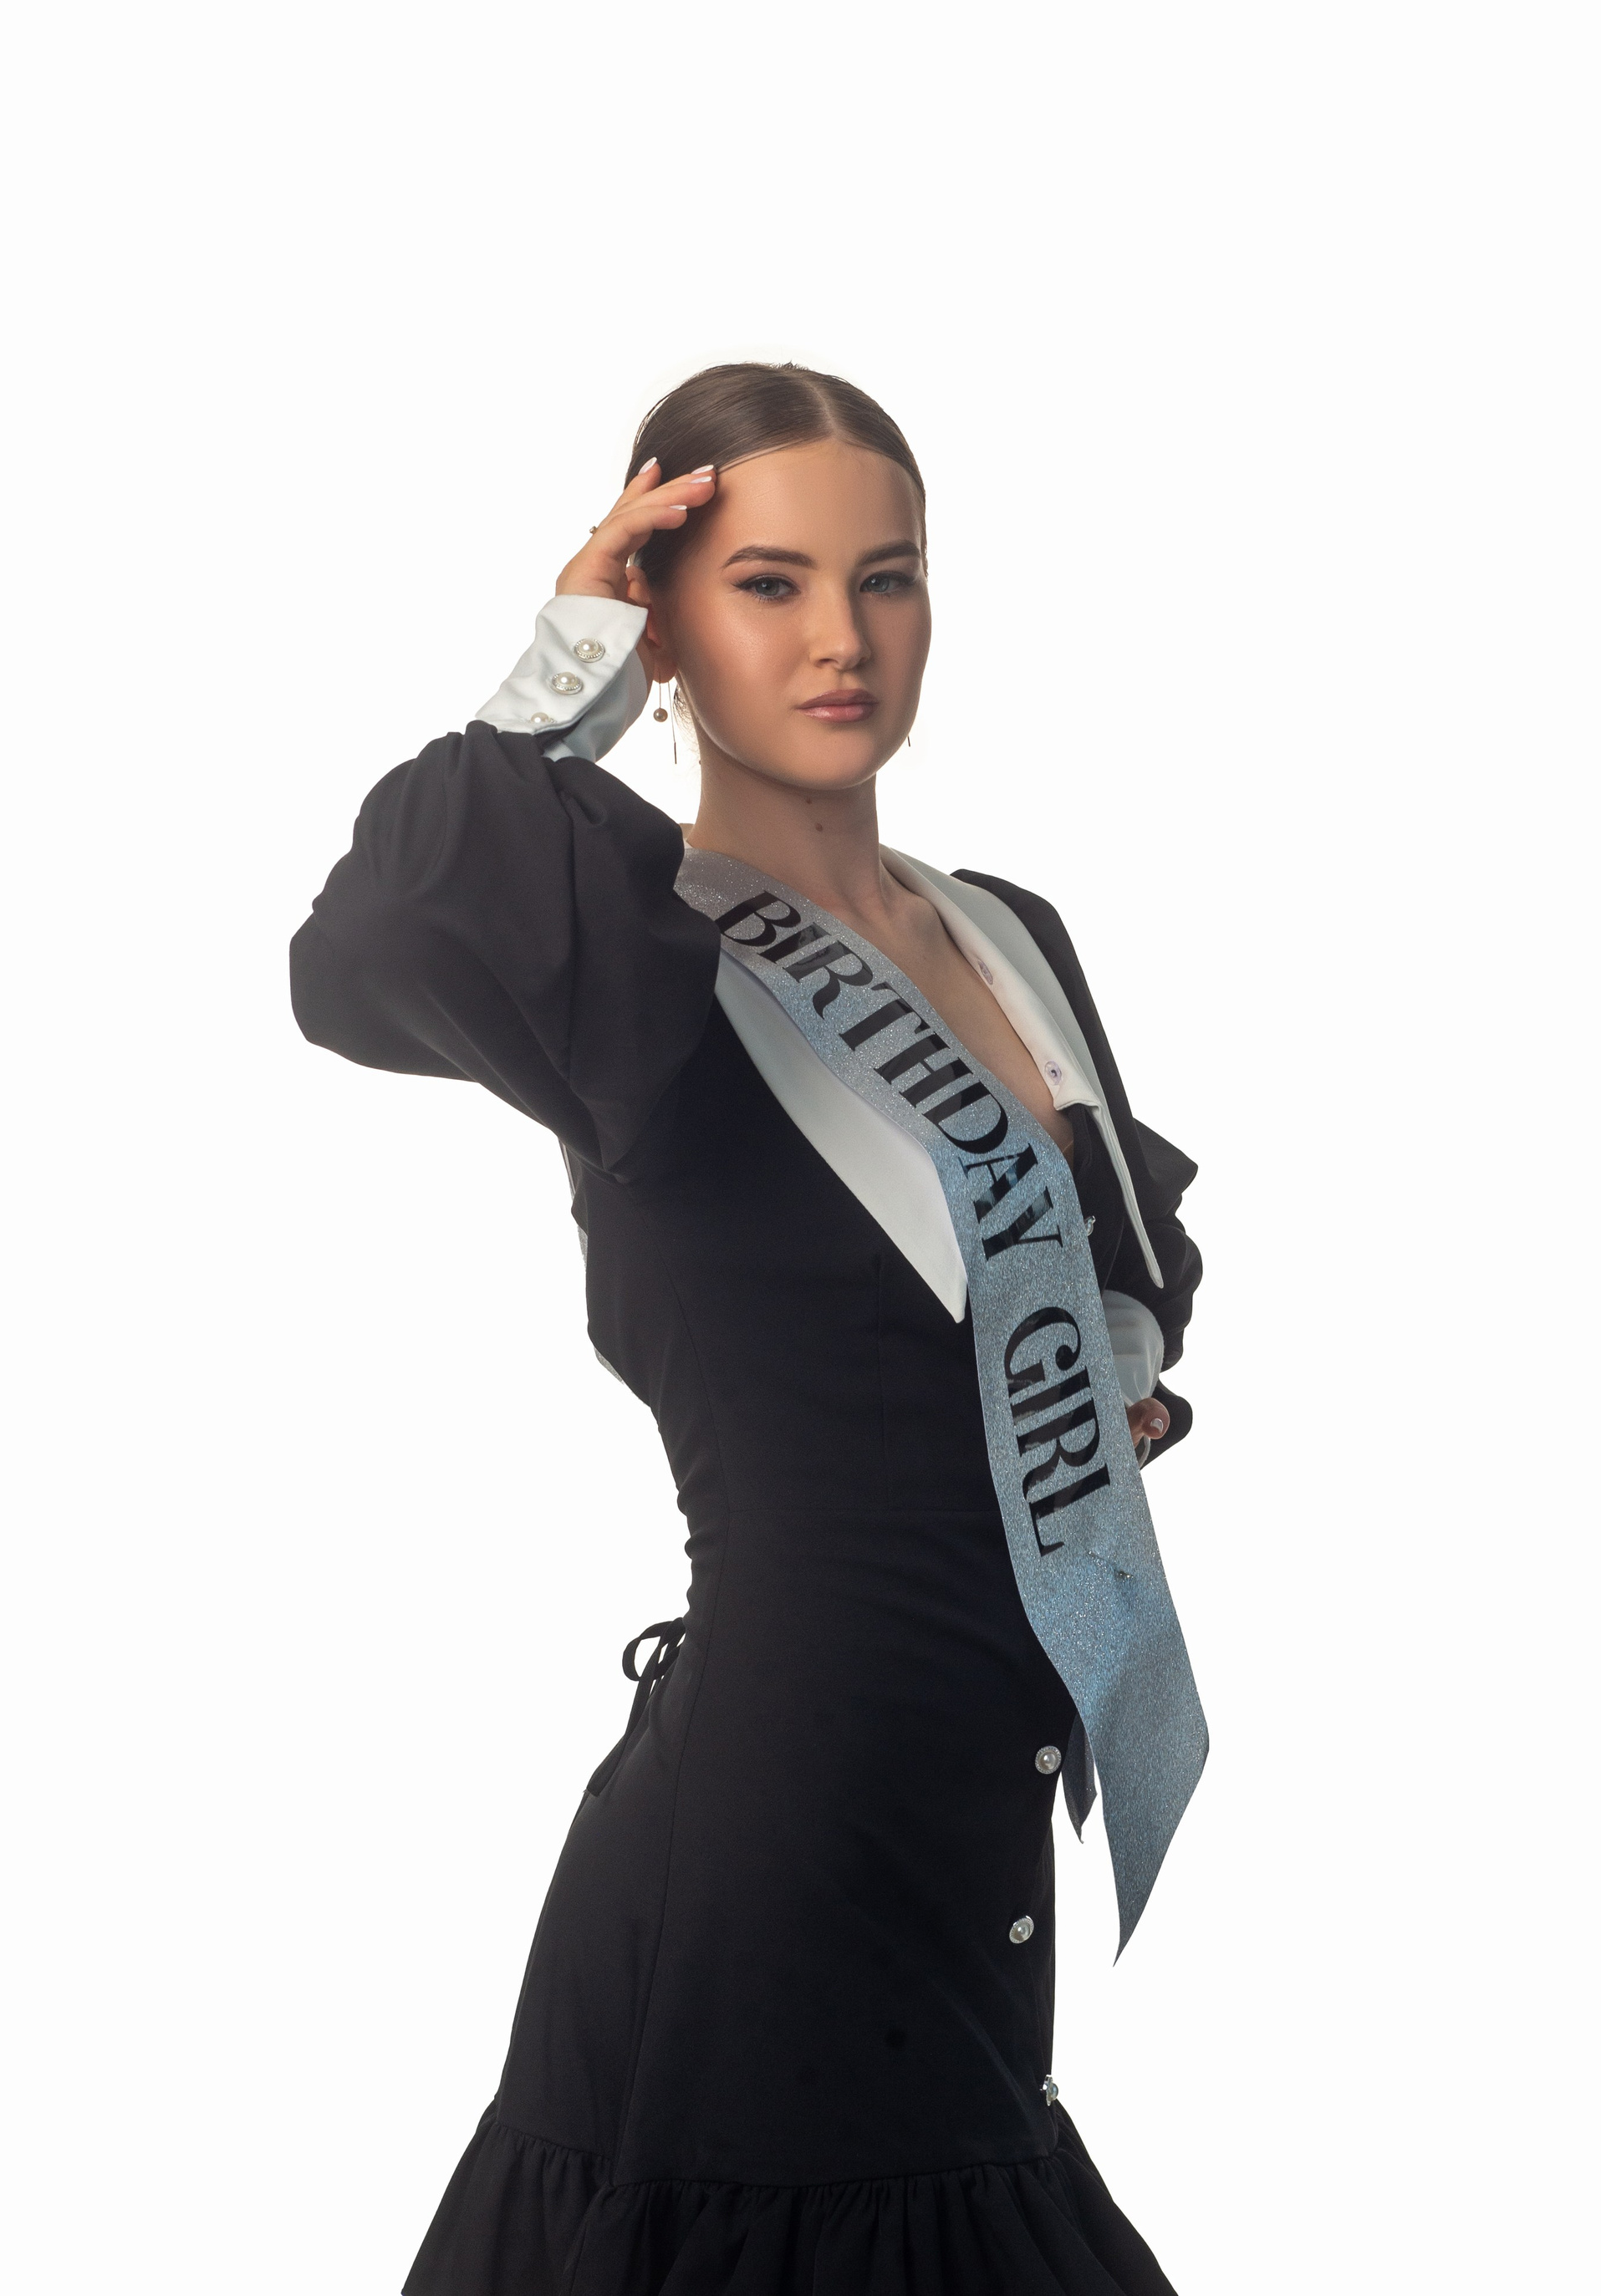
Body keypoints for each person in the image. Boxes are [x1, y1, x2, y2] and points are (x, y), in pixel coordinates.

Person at [291, 361, 1206, 2295]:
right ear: (670, 628)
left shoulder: (1011, 933)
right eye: (767, 584)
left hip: (967, 1814)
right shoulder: (633, 965)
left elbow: (1113, 1273)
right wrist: (564, 661)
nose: (840, 637)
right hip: (777, 1831)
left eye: (886, 577)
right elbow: (370, 945)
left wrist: (1105, 1380)